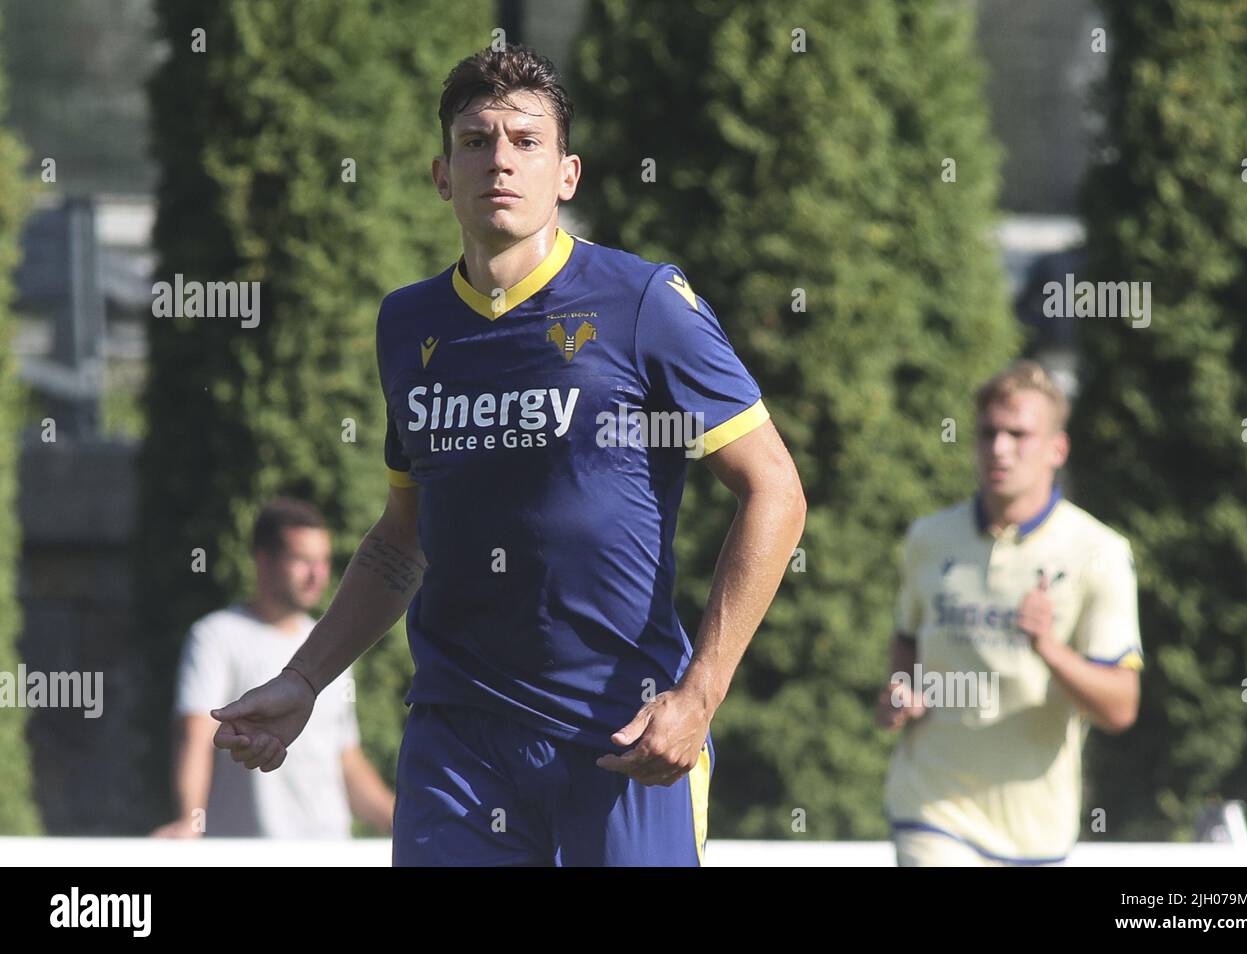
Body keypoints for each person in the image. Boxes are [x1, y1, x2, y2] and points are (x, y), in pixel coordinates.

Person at [209, 45, 806, 866]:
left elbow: (775, 489)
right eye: (475, 140)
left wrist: (699, 692)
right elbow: (400, 538)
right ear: (441, 173)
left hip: (622, 733)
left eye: (526, 141)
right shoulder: (408, 325)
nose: (500, 159)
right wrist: (305, 679)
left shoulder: (642, 304)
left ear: (567, 174)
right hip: (457, 740)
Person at [878, 360, 1142, 866]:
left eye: (1018, 434)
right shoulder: (928, 538)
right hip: (931, 806)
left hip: (1035, 831)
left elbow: (1121, 707)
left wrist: (1050, 650)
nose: (999, 448)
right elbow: (906, 645)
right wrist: (897, 693)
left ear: (1056, 449)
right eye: (988, 433)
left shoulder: (1100, 552)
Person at [152, 497, 394, 839]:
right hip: (250, 854)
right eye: (303, 561)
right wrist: (190, 822)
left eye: (323, 562)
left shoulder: (330, 645)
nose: (318, 575)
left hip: (331, 854)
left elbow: (346, 760)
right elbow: (197, 734)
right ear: (263, 561)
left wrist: (401, 821)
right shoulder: (216, 636)